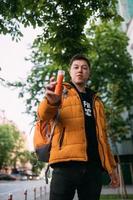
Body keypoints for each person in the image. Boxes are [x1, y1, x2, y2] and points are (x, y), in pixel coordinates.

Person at [37, 54, 120, 200]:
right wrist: (51, 102)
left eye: (84, 68)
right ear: (70, 71)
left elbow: (103, 138)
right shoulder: (60, 91)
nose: (80, 70)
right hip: (65, 165)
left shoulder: (97, 101)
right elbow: (43, 116)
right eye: (76, 67)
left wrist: (112, 168)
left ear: (89, 73)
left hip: (93, 167)